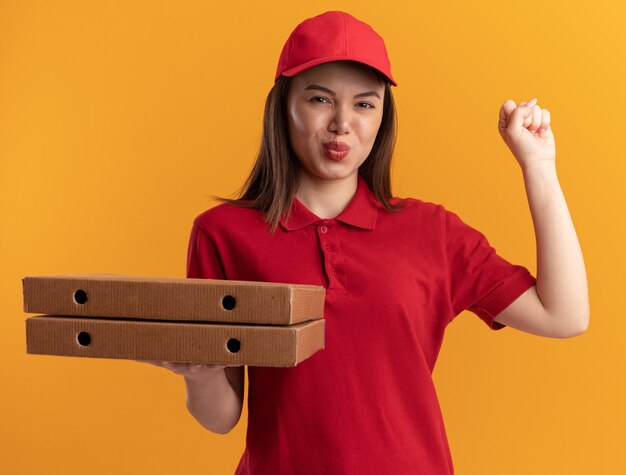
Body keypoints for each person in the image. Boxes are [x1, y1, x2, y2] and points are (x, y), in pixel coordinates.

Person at [137, 10, 589, 474]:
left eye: (365, 104)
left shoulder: (432, 231)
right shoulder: (224, 233)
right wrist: (201, 371)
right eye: (320, 99)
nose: (342, 124)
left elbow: (564, 315)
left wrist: (539, 166)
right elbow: (220, 418)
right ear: (284, 106)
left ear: (382, 118)